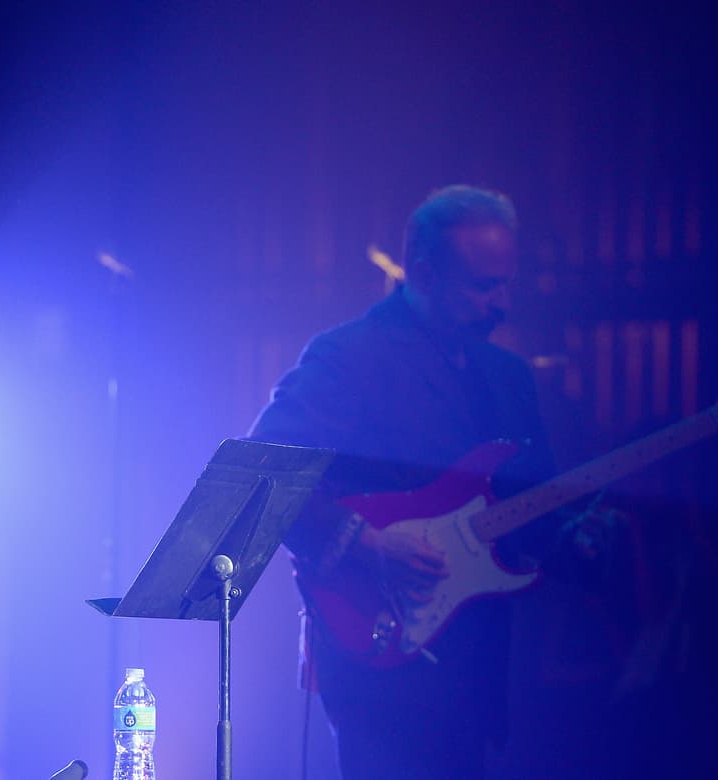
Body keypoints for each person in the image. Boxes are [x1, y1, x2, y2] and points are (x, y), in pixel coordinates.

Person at [250, 185, 591, 779]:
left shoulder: (508, 376)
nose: (502, 303)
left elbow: (533, 507)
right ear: (424, 272)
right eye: (482, 286)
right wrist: (366, 541)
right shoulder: (348, 357)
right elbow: (265, 470)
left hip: (483, 666)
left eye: (506, 283)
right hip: (380, 661)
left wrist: (579, 537)